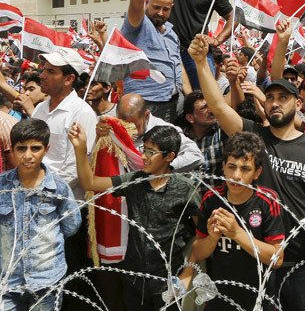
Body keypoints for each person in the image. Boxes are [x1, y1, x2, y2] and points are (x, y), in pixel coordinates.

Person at [187, 35, 305, 309]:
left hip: (301, 259)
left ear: (298, 104)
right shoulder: (252, 136)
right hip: (256, 255)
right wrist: (200, 63)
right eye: (271, 97)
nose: (275, 103)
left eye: (284, 98)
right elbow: (218, 105)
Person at [70, 124, 200, 311]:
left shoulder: (185, 189)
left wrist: (187, 275)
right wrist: (80, 149)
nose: (144, 157)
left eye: (151, 152)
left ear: (170, 156)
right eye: (143, 149)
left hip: (168, 282)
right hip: (134, 280)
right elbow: (89, 182)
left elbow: (201, 234)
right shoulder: (136, 181)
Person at [180, 132, 285, 310]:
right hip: (219, 295)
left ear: (257, 172)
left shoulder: (267, 201)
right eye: (231, 167)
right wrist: (212, 238)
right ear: (223, 166)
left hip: (258, 297)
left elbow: (277, 258)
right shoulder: (212, 198)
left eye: (245, 169)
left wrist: (237, 233)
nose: (236, 175)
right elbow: (198, 251)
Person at [0, 119, 81, 311]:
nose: (28, 155)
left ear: (46, 149)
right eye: (21, 148)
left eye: (35, 148)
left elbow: (71, 226)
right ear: (12, 150)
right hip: (9, 279)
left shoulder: (58, 189)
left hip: (47, 279)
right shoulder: (2, 187)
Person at [122, 0, 184, 122]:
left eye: (166, 9)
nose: (160, 13)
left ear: (172, 7)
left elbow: (178, 64)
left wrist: (189, 94)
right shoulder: (138, 25)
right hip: (146, 103)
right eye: (156, 7)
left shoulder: (171, 32)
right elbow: (135, 4)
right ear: (147, 2)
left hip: (173, 102)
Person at [31, 49, 98, 194]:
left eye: (51, 72)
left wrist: (44, 193)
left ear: (69, 79)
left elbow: (74, 168)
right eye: (44, 70)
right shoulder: (40, 109)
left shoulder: (82, 113)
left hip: (61, 201)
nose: (42, 76)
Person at [115, 94, 202, 172]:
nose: (129, 131)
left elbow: (196, 156)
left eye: (135, 126)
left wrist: (163, 168)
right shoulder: (114, 130)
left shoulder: (166, 130)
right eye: (124, 126)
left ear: (146, 115)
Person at [182, 91, 224, 180]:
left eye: (210, 105)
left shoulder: (221, 131)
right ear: (190, 117)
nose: (210, 110)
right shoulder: (181, 139)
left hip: (215, 192)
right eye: (203, 108)